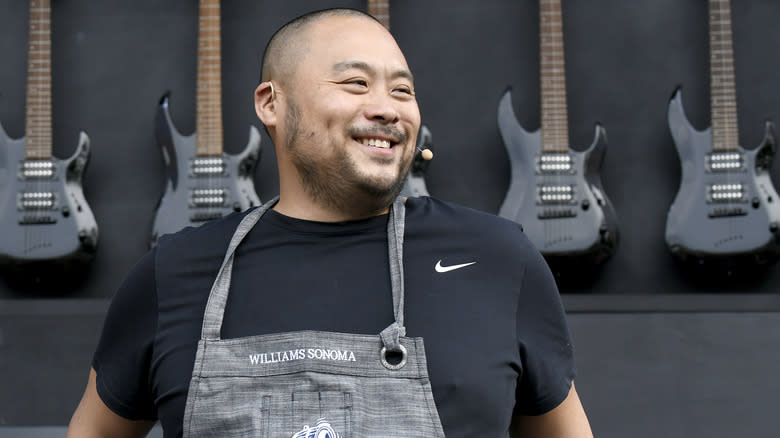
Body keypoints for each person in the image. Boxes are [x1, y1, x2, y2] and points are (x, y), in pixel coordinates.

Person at [67, 8, 593, 438]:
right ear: (272, 103)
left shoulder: (497, 257)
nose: (387, 108)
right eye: (356, 82)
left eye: (403, 91)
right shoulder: (175, 271)